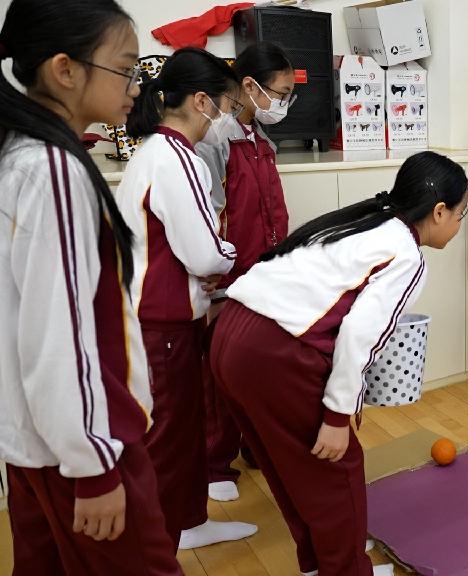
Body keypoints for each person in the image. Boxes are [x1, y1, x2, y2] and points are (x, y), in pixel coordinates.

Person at [211, 151, 468, 576]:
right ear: (439, 212)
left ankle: (320, 564)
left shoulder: (366, 221)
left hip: (230, 336)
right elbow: (359, 335)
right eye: (460, 216)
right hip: (273, 353)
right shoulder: (406, 254)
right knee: (336, 471)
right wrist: (336, 415)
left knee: (289, 469)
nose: (459, 226)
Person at [0, 0, 182, 573]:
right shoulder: (52, 169)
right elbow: (59, 335)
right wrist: (94, 467)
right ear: (65, 70)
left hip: (36, 442)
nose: (136, 87)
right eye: (125, 69)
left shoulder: (20, 154)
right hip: (84, 448)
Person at [117, 46, 256, 551]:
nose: (228, 118)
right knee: (170, 436)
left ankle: (189, 522)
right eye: (227, 105)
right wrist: (228, 254)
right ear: (201, 102)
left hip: (162, 314)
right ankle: (161, 539)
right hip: (164, 320)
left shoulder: (154, 153)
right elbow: (204, 254)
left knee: (184, 427)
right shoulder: (178, 159)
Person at [195, 40, 295, 504]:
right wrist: (216, 289)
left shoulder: (263, 143)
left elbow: (273, 214)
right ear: (250, 86)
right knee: (221, 377)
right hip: (230, 282)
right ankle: (216, 465)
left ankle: (256, 447)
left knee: (261, 369)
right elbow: (213, 216)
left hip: (266, 277)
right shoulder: (216, 142)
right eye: (281, 93)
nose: (284, 103)